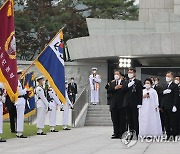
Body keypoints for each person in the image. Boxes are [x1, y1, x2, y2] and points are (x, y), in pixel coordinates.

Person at [123, 68, 143, 137]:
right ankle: (131, 133)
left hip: (134, 103)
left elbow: (140, 93)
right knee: (129, 120)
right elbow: (122, 91)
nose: (130, 74)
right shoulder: (125, 82)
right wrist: (127, 86)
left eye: (131, 72)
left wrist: (140, 103)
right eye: (129, 72)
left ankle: (136, 134)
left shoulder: (138, 82)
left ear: (134, 73)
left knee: (135, 119)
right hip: (127, 103)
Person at [108, 70, 126, 139]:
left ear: (120, 75)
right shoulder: (111, 83)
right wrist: (115, 88)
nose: (116, 75)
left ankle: (122, 133)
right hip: (114, 104)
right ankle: (116, 133)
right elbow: (107, 89)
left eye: (117, 74)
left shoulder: (124, 82)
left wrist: (121, 87)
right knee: (114, 119)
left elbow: (125, 90)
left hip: (122, 104)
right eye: (115, 74)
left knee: (122, 119)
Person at [161, 72, 179, 139]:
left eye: (168, 76)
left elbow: (176, 96)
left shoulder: (175, 86)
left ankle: (174, 134)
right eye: (166, 76)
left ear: (172, 77)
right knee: (166, 121)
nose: (167, 77)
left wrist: (174, 105)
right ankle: (168, 134)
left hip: (171, 106)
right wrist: (163, 92)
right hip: (165, 106)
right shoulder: (165, 85)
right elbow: (161, 94)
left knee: (172, 121)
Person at [15, 70, 27, 138]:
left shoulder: (19, 82)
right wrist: (25, 90)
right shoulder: (17, 83)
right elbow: (19, 93)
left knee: (20, 117)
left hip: (20, 100)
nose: (20, 76)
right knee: (20, 117)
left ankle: (19, 132)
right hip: (19, 100)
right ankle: (19, 132)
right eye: (19, 75)